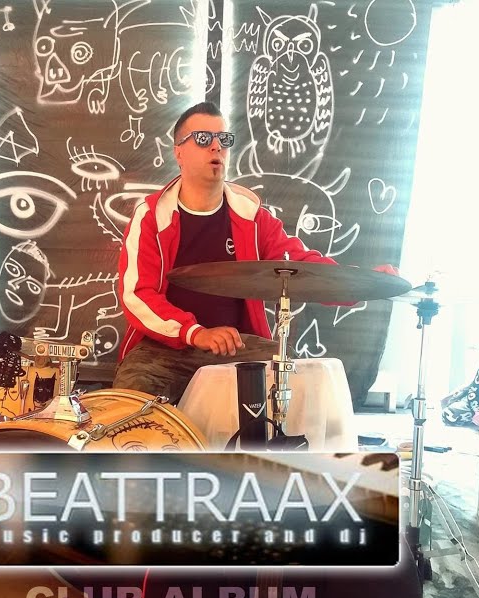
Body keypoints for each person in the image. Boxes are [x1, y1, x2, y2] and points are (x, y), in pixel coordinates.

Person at [113, 101, 397, 402]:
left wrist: (360, 282)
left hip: (236, 346)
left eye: (224, 139)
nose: (216, 147)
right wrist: (195, 332)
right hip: (165, 348)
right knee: (127, 402)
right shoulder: (151, 216)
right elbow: (138, 295)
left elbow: (300, 263)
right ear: (178, 152)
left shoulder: (251, 217)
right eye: (203, 139)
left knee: (299, 381)